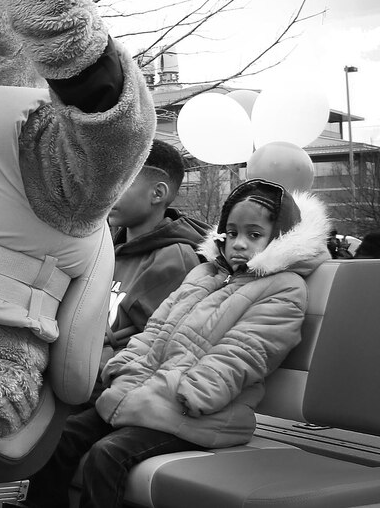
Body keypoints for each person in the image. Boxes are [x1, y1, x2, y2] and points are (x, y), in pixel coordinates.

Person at [24, 178, 330, 508]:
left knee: (108, 455)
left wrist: (193, 394)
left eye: (254, 235)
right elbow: (155, 329)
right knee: (59, 441)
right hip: (148, 399)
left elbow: (246, 352)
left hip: (202, 412)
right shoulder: (204, 275)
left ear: (279, 238)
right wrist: (123, 369)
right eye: (233, 233)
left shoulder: (284, 288)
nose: (239, 244)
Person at [103, 139, 205, 378]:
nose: (108, 192)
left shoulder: (175, 259)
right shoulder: (105, 250)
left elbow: (159, 350)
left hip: (113, 392)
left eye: (122, 183)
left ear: (157, 193)